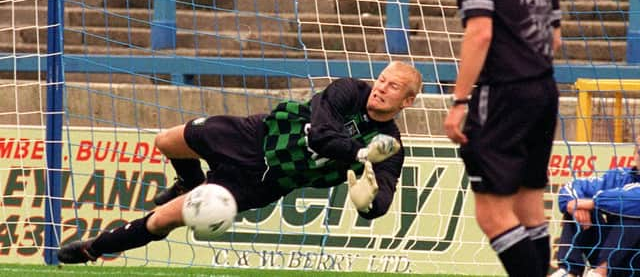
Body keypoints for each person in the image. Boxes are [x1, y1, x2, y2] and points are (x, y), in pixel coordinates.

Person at [57, 61, 423, 264]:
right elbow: (320, 136)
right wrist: (358, 155)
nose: (380, 87)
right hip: (254, 136)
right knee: (165, 140)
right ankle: (188, 181)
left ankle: (95, 248)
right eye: (382, 79)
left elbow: (382, 200)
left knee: (164, 218)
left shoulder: (389, 146)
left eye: (392, 87)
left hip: (263, 182)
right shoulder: (348, 90)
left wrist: (368, 203)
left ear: (407, 102)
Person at [443, 0, 562, 277]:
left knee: (493, 214)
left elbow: (479, 33)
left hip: (504, 94)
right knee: (530, 205)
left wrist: (459, 101)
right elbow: (555, 39)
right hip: (544, 91)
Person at [550, 141, 640, 277]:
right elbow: (573, 186)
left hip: (636, 261)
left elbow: (634, 198)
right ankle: (569, 271)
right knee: (576, 209)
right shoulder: (618, 176)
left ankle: (600, 273)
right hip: (612, 255)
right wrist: (576, 205)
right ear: (634, 155)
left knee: (632, 217)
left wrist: (593, 202)